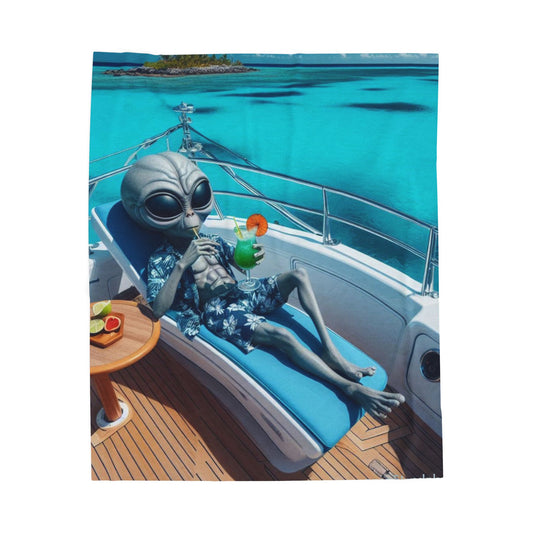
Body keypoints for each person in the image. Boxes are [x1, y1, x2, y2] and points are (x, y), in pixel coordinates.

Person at [121, 152, 405, 420]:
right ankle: (348, 387)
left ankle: (331, 352)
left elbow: (238, 262)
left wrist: (249, 256)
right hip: (218, 311)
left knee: (298, 276)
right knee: (282, 335)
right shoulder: (162, 258)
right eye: (169, 207)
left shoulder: (210, 239)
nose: (191, 217)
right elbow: (157, 310)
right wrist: (183, 264)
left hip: (241, 292)